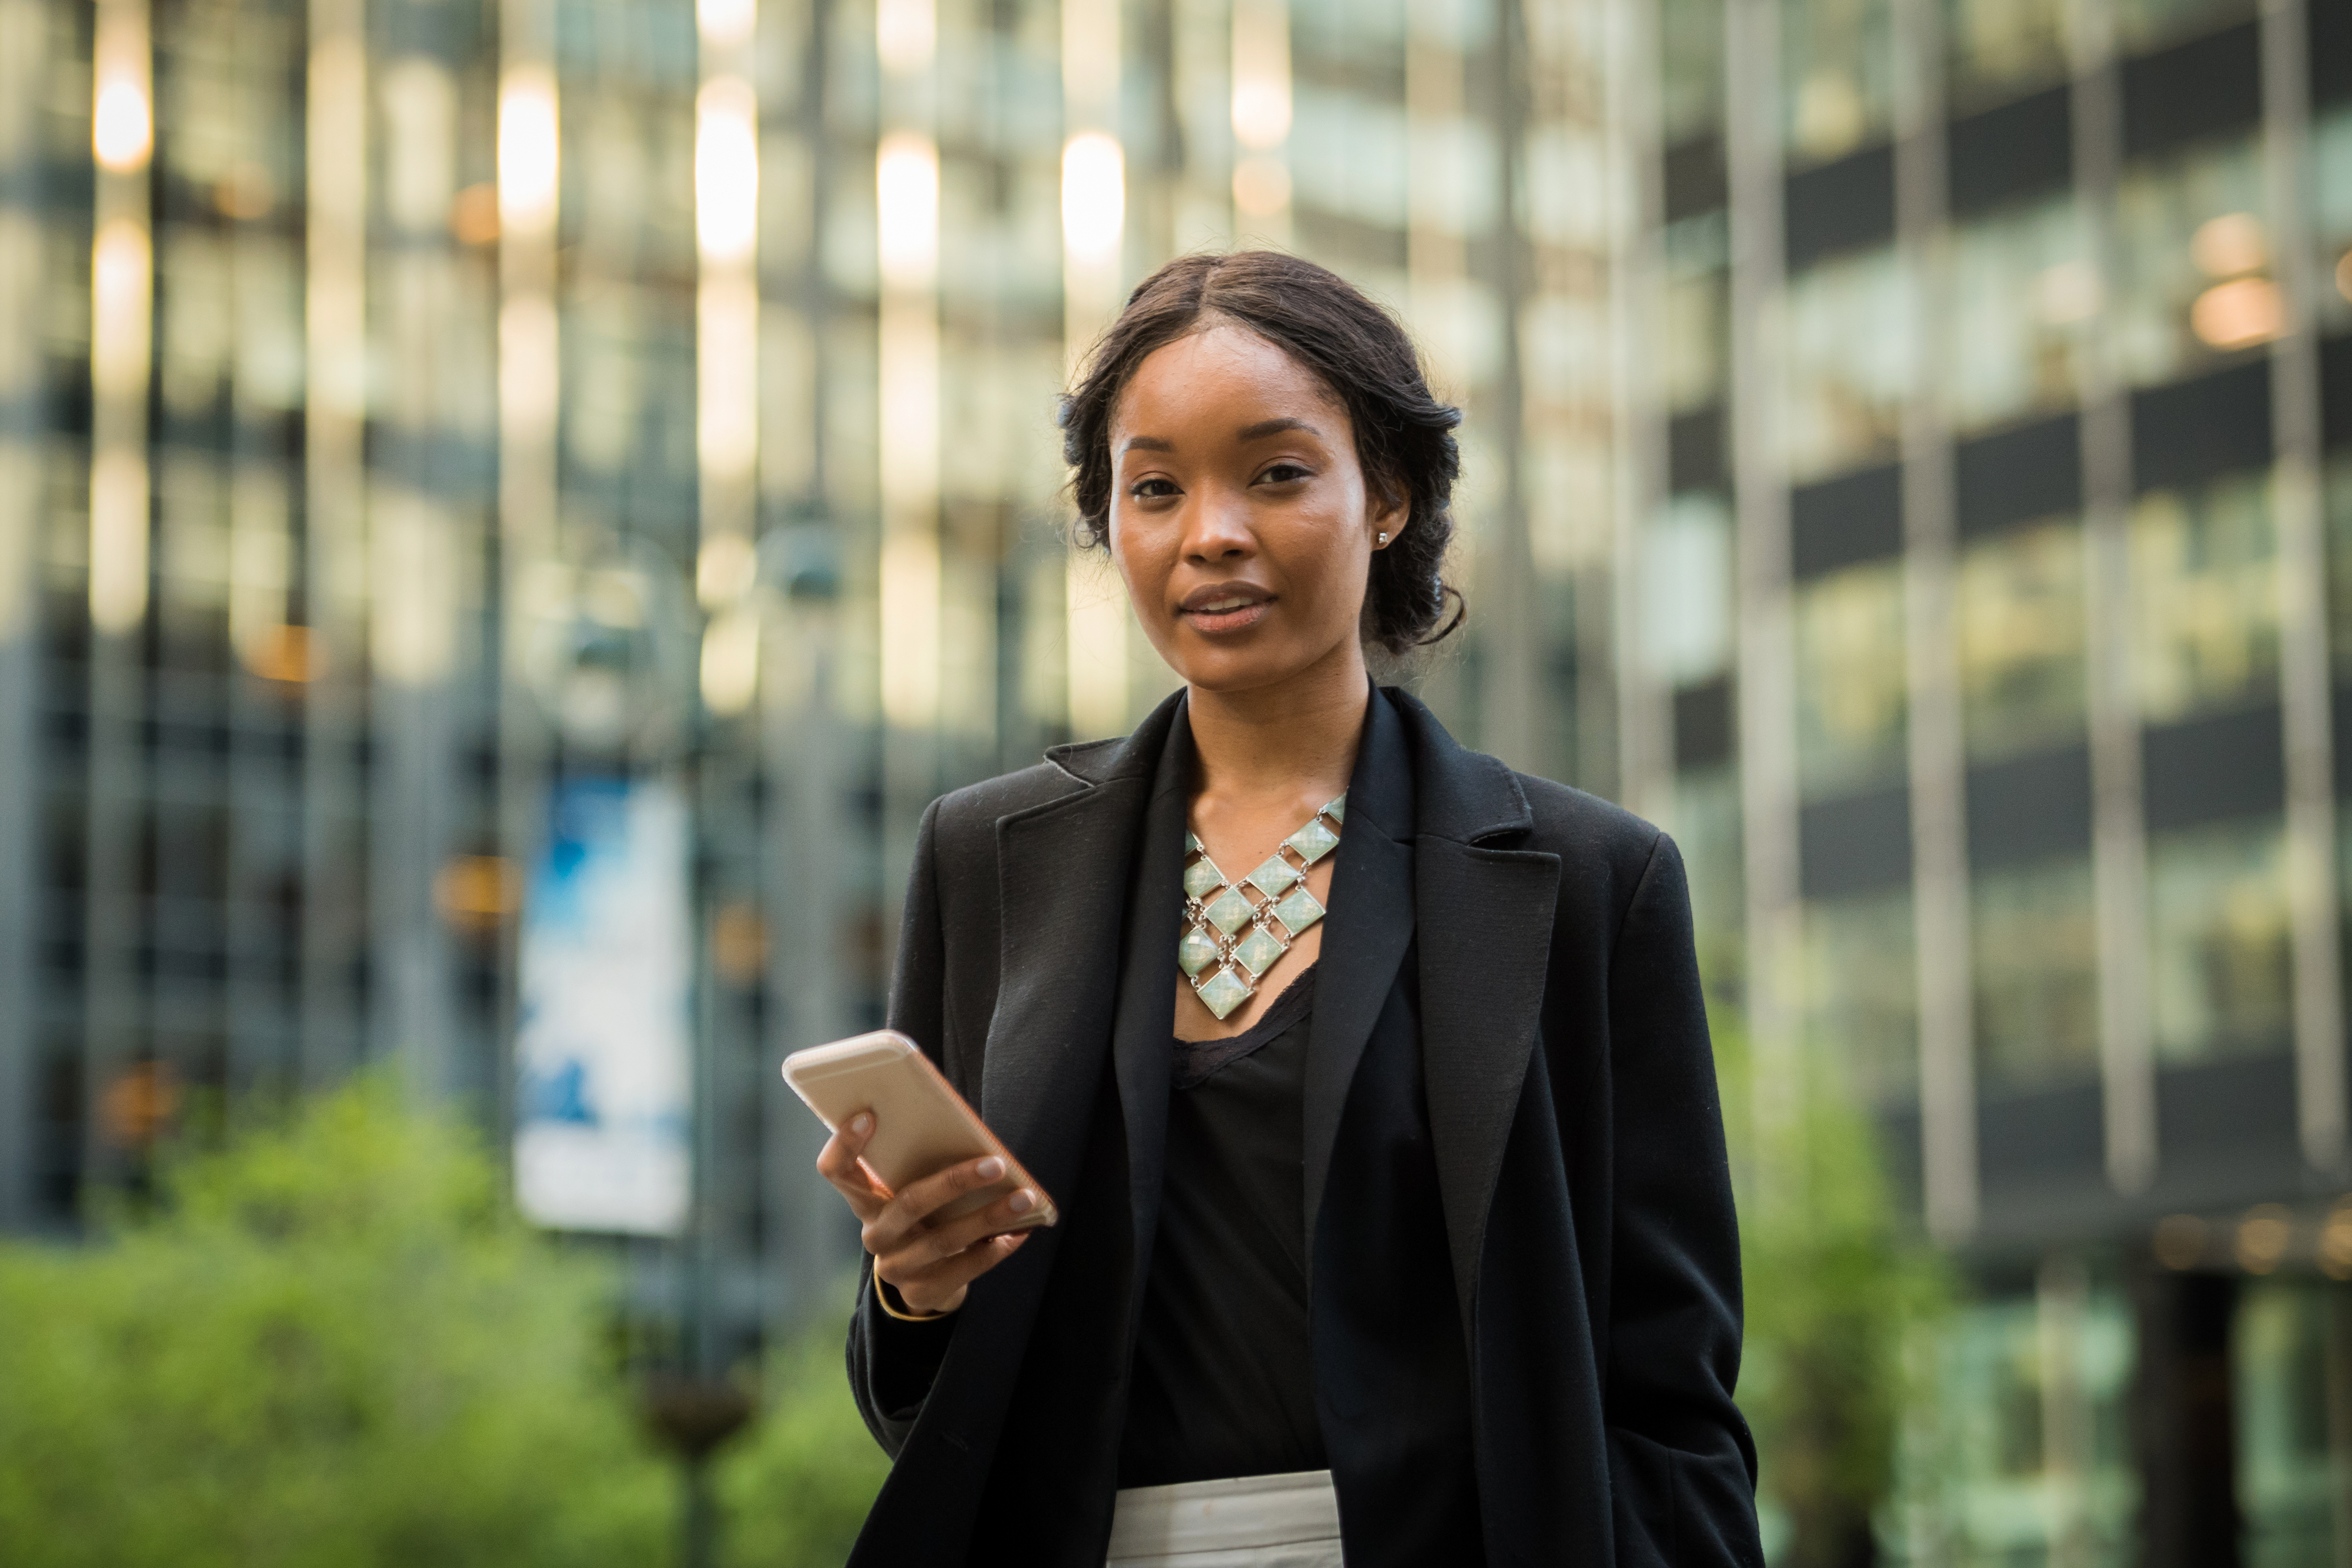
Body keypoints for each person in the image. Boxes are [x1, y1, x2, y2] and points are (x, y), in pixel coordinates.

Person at [815, 249, 1762, 1566]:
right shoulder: (989, 856)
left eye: (1276, 472)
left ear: (1390, 495)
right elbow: (934, 1403)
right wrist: (912, 1293)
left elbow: (1670, 1406)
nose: (1211, 532)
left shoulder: (1595, 881)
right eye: (1155, 489)